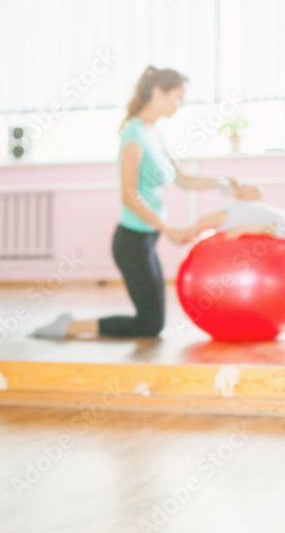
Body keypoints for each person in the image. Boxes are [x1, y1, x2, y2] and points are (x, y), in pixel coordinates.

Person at [32, 66, 261, 340]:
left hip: (147, 239)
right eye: (177, 97)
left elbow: (184, 180)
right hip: (131, 242)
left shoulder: (154, 133)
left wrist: (225, 181)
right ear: (157, 92)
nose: (180, 104)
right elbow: (130, 196)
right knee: (149, 325)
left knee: (152, 323)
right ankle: (69, 327)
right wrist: (168, 229)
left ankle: (70, 325)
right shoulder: (133, 135)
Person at [186, 199, 285, 240]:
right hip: (244, 213)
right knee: (200, 223)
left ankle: (184, 234)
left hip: (245, 214)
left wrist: (241, 230)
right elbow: (269, 228)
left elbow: (269, 229)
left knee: (201, 223)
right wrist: (241, 230)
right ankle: (184, 234)